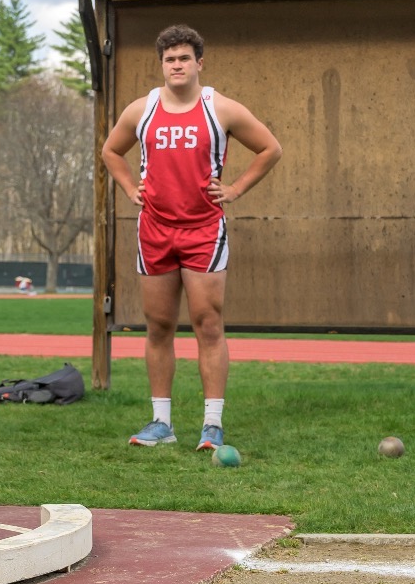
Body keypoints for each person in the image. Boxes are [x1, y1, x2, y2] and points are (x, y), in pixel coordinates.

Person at [102, 24, 282, 453]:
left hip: (204, 231)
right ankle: (161, 422)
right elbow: (111, 151)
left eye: (184, 58)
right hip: (155, 230)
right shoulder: (141, 110)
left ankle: (212, 424)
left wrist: (235, 189)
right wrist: (130, 189)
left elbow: (270, 148)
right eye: (169, 59)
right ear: (161, 64)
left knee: (207, 324)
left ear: (199, 63)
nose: (177, 65)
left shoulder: (220, 108)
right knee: (159, 325)